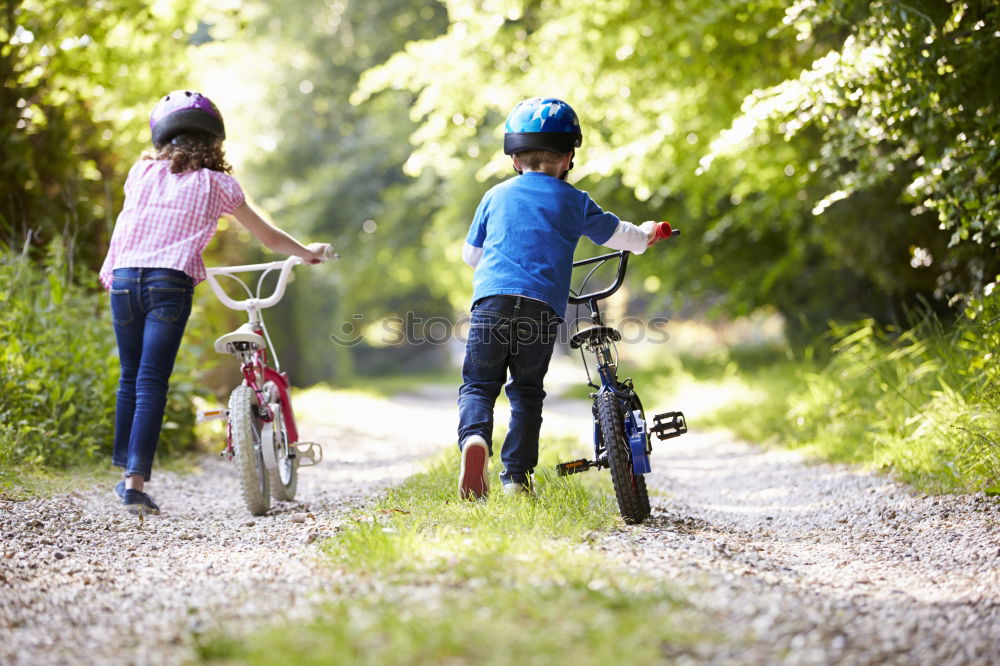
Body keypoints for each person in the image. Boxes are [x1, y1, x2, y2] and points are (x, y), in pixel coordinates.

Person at [99, 90, 330, 516]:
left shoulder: (141, 172)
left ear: (163, 137)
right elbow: (270, 238)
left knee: (129, 378)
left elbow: (126, 224)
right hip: (169, 281)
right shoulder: (219, 183)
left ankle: (126, 478)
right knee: (151, 380)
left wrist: (109, 271)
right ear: (214, 140)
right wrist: (306, 253)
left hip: (125, 279)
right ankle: (134, 483)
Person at [457, 96, 658, 499]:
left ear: (515, 159)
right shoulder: (575, 200)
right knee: (527, 392)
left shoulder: (495, 196)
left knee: (479, 385)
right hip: (542, 308)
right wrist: (648, 234)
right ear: (568, 158)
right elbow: (621, 235)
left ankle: (474, 440)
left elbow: (471, 256)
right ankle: (516, 478)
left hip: (491, 303)